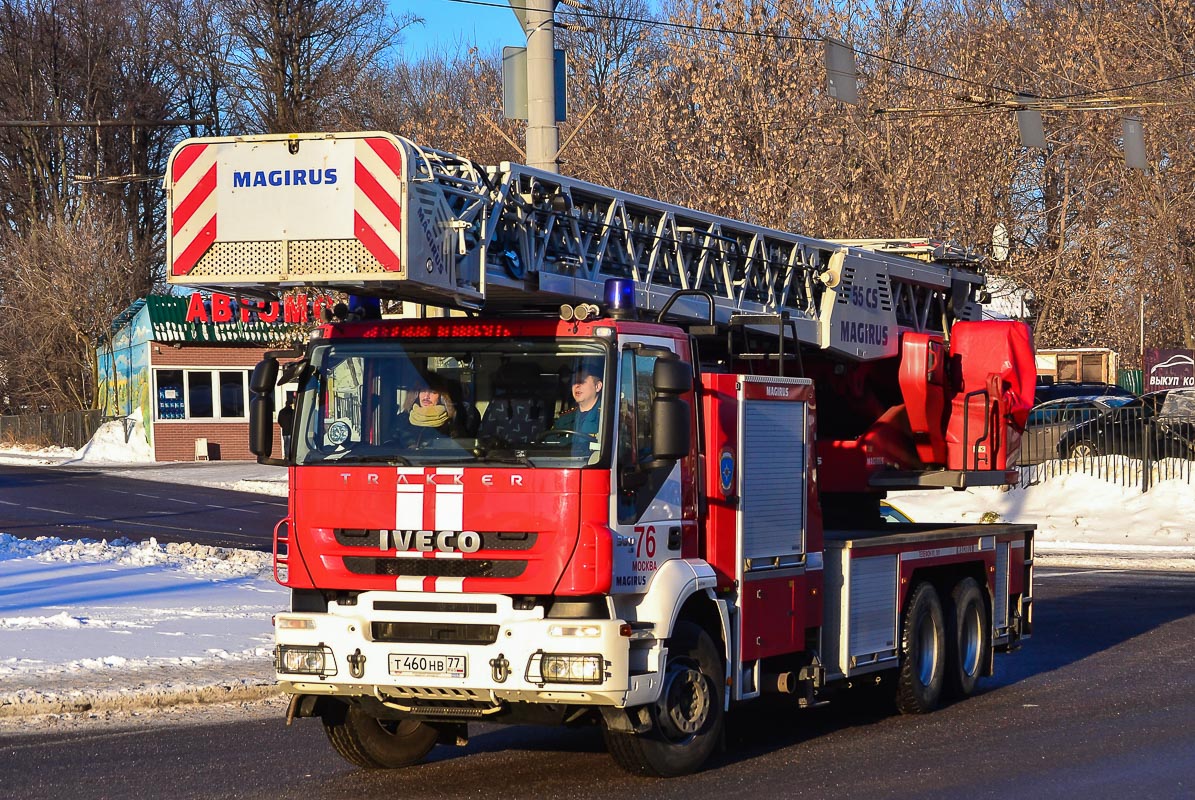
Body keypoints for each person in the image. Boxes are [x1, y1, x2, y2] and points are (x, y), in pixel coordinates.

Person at [393, 374, 457, 448]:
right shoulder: (402, 420)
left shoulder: (451, 423)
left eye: (433, 392)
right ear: (417, 394)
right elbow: (390, 447)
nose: (426, 396)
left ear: (441, 397)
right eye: (423, 391)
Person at [552, 362, 603, 439]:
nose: (577, 385)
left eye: (582, 381)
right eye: (575, 382)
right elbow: (550, 444)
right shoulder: (564, 419)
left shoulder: (605, 418)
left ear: (597, 386)